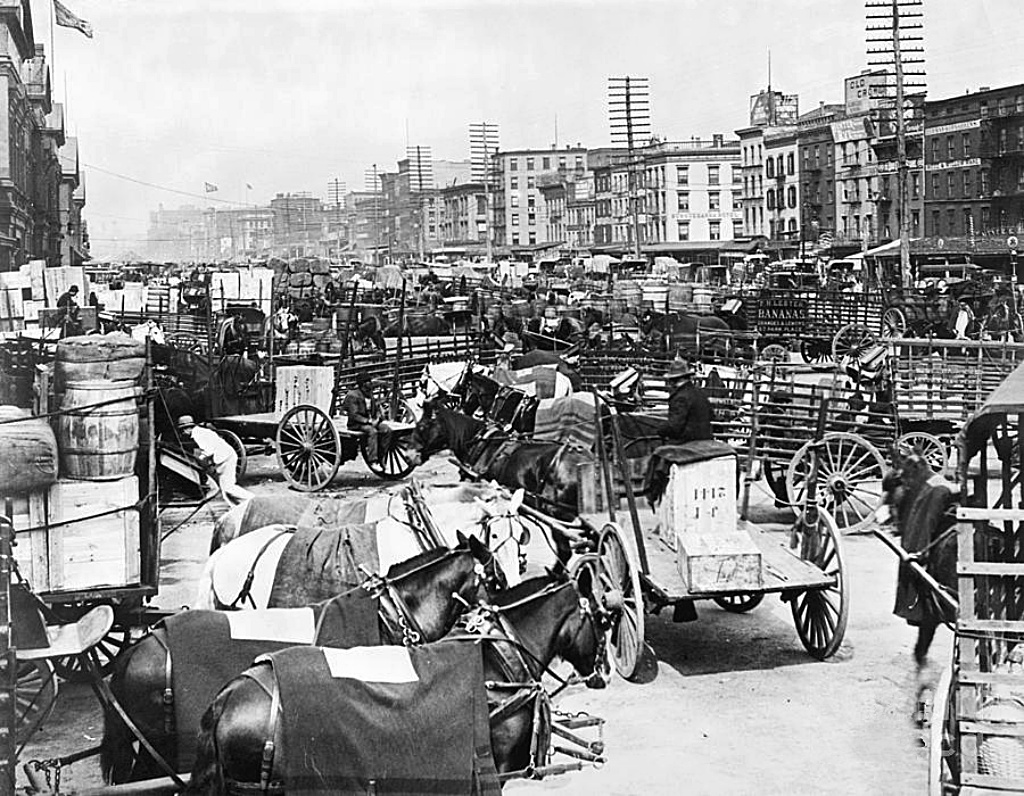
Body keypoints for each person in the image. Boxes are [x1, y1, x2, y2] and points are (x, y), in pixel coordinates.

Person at [177, 415, 253, 506]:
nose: (183, 433)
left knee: (229, 488)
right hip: (226, 457)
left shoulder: (198, 435)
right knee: (225, 490)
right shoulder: (202, 431)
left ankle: (252, 499)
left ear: (186, 429)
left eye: (182, 431)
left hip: (226, 458)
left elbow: (208, 450)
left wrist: (199, 459)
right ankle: (236, 507)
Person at [657, 358, 713, 444]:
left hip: (687, 443)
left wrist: (659, 429)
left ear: (673, 380)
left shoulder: (680, 397)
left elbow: (674, 427)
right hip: (706, 441)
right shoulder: (699, 393)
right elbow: (711, 415)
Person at [343, 370, 381, 459]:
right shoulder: (353, 395)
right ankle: (373, 459)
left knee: (386, 430)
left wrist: (378, 418)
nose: (370, 383)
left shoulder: (369, 394)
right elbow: (354, 415)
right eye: (368, 381)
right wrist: (369, 421)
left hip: (369, 422)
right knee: (373, 431)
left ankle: (381, 456)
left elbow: (375, 409)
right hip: (356, 424)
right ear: (363, 383)